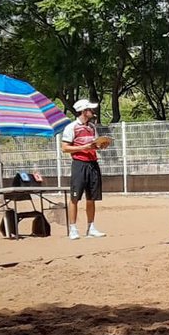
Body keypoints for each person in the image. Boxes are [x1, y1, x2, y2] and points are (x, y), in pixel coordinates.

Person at [61, 99, 110, 239]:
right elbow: (65, 148)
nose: (92, 112)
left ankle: (91, 227)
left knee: (91, 197)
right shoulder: (71, 127)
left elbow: (94, 145)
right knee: (75, 197)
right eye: (90, 109)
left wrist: (101, 145)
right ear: (83, 111)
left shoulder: (92, 127)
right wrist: (84, 147)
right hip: (79, 164)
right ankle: (73, 228)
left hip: (93, 163)